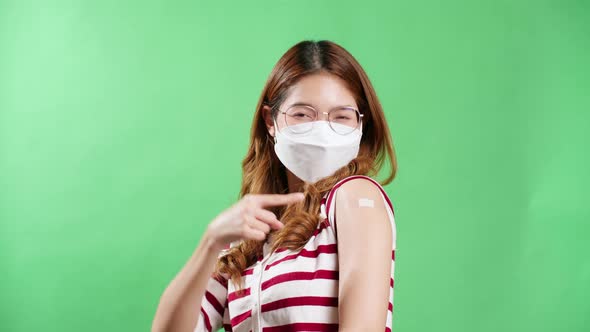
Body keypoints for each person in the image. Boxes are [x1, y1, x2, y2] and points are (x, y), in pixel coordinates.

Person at [152, 40, 398, 332]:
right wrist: (211, 243)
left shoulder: (355, 196)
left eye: (341, 116)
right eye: (302, 114)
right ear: (270, 120)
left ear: (360, 124)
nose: (322, 130)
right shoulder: (248, 236)